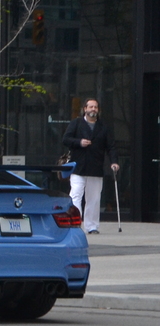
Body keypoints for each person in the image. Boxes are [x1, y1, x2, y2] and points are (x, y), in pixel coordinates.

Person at [63, 98, 119, 234]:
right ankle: (74, 223)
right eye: (91, 107)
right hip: (78, 167)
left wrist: (114, 162)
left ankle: (92, 226)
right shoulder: (76, 123)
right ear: (85, 109)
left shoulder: (103, 127)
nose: (93, 109)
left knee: (93, 199)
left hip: (96, 167)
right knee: (75, 195)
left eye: (95, 107)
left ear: (98, 110)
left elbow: (111, 147)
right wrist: (79, 142)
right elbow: (66, 139)